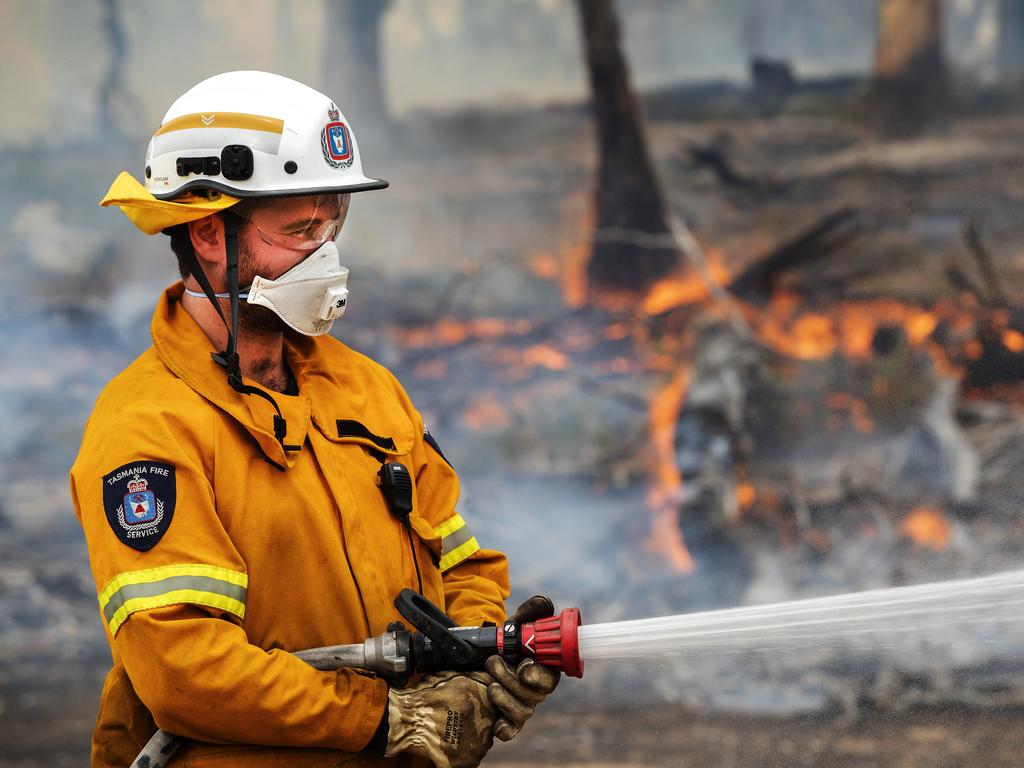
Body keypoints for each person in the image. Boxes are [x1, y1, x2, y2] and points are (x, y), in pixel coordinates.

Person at [71, 71, 558, 768]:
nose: (327, 255)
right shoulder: (147, 427)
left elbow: (464, 564)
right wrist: (387, 720)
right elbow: (184, 670)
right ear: (209, 233)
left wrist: (476, 665)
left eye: (333, 223)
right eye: (301, 229)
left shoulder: (366, 388)